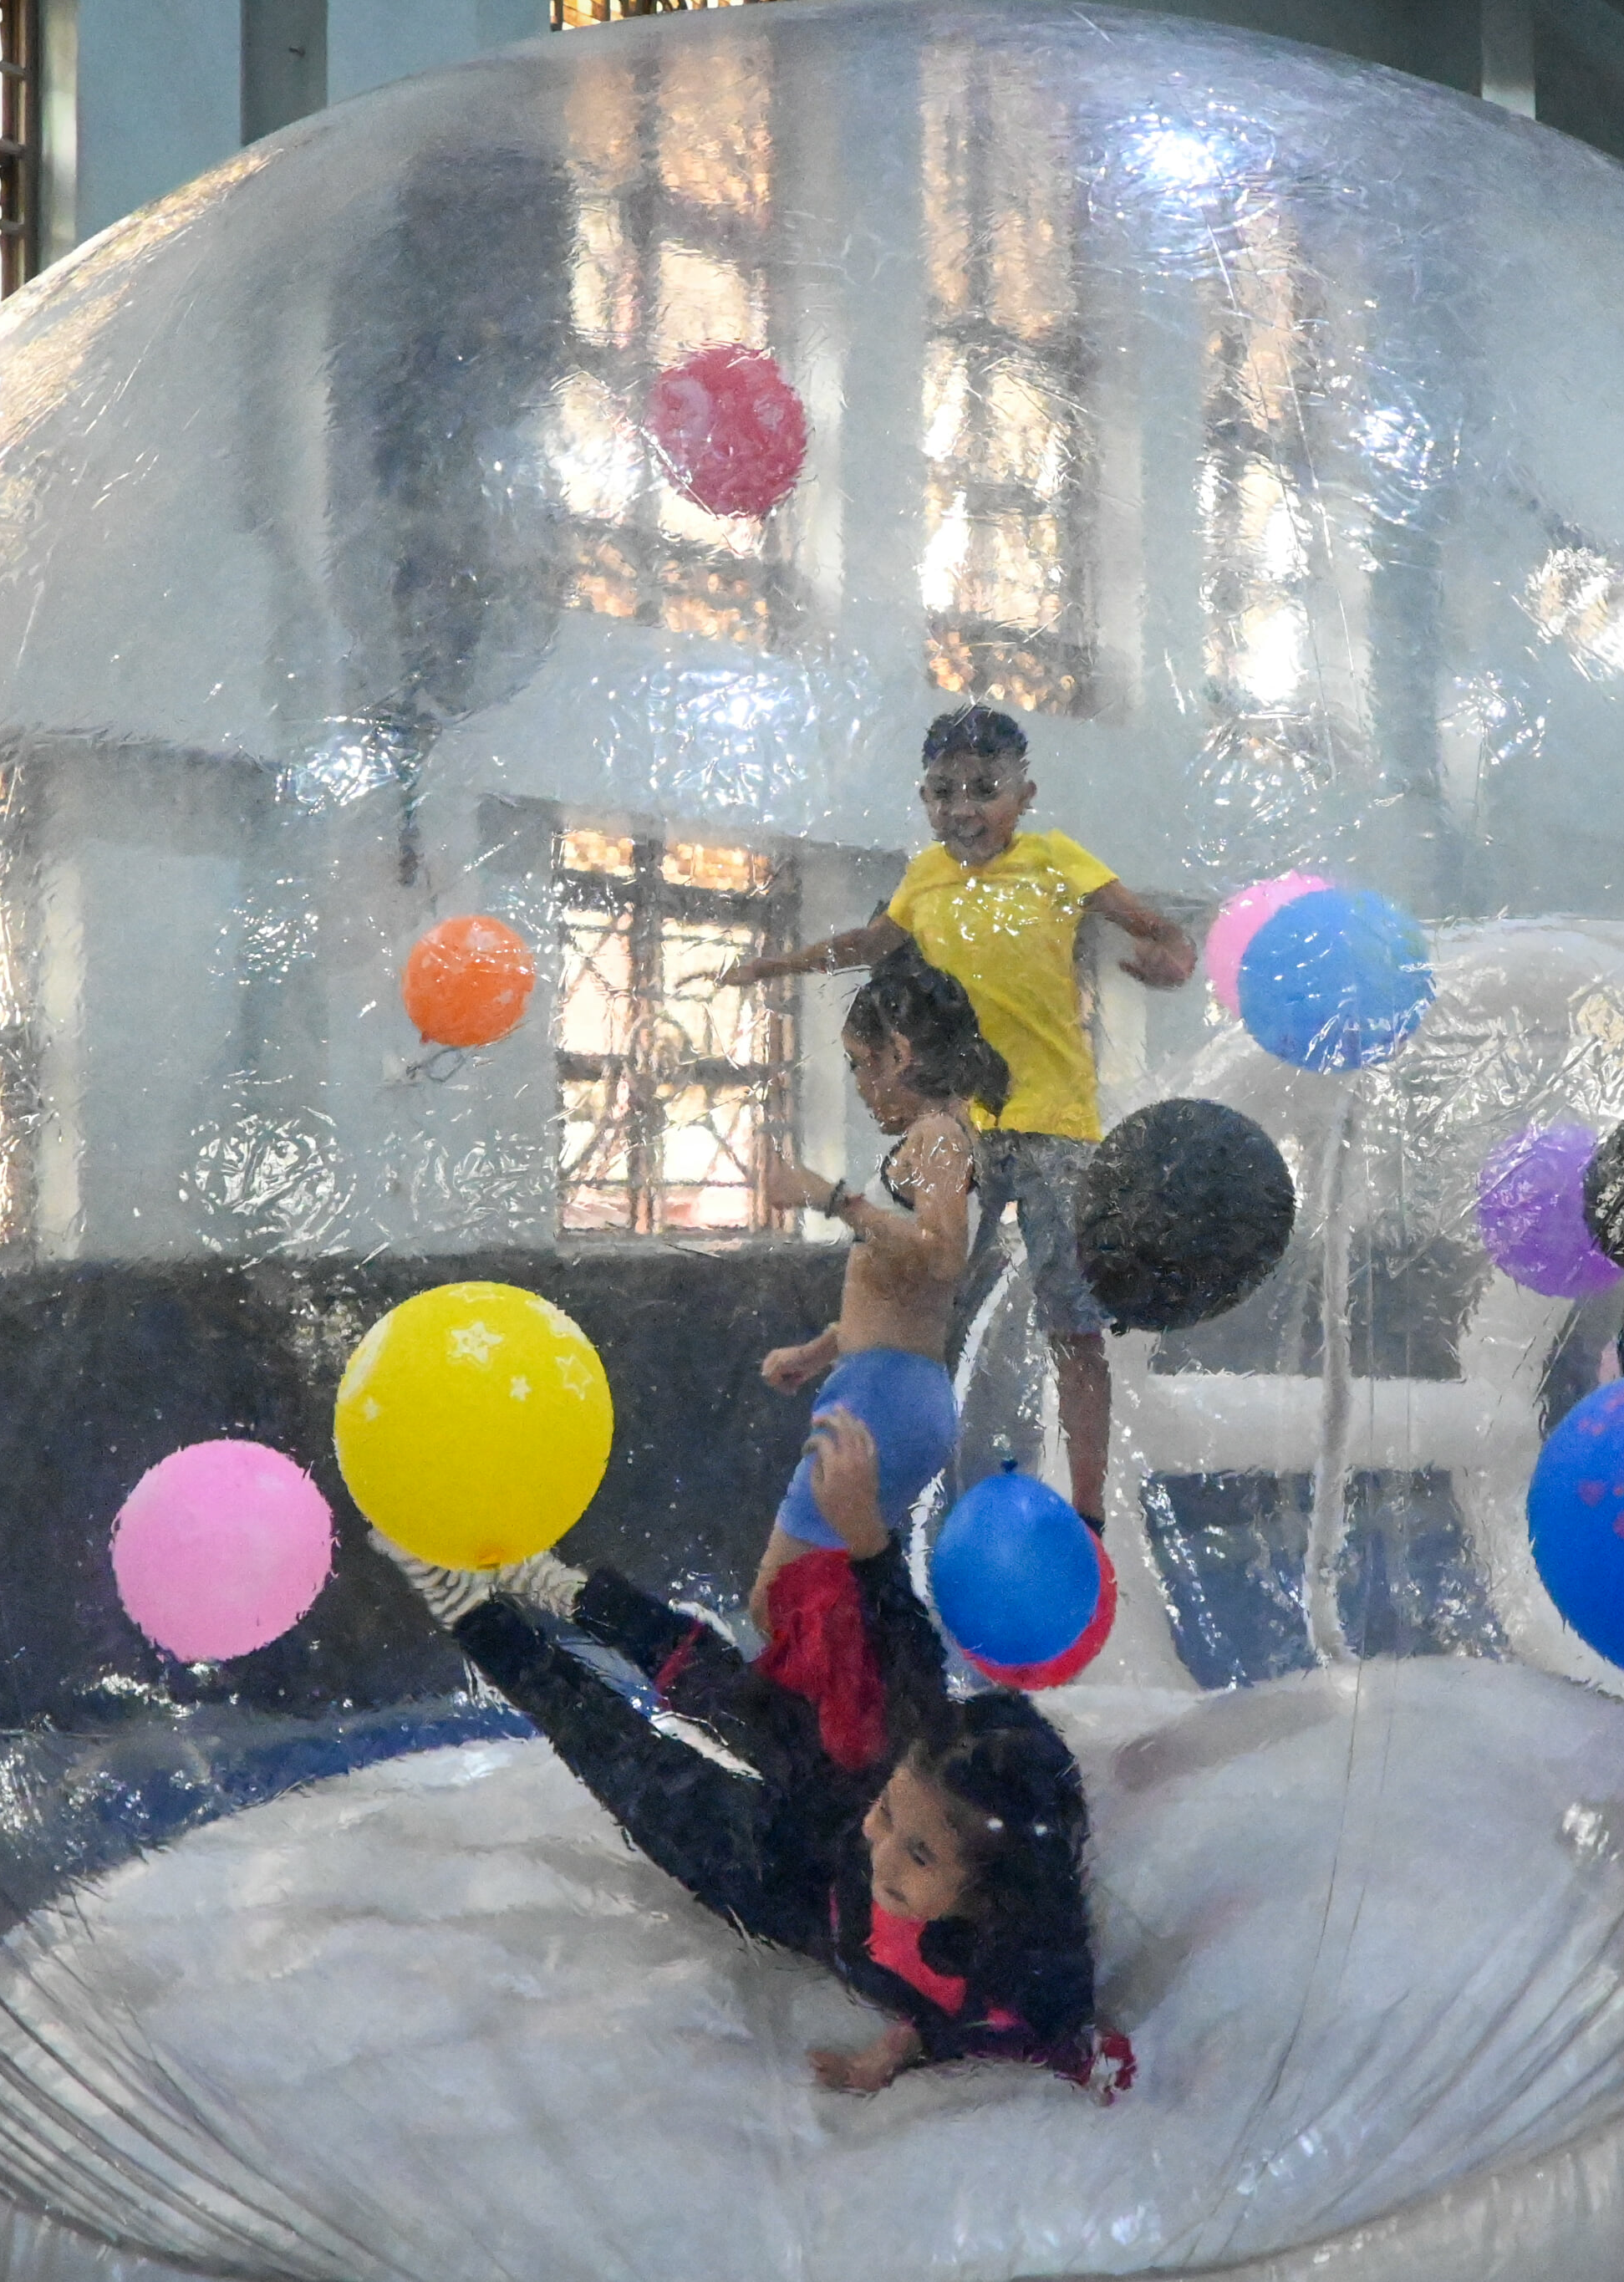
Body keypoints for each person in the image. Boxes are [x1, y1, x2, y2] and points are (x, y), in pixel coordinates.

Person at [377, 1413, 1131, 2096]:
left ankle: (469, 1613)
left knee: (623, 1760)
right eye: (894, 1817)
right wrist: (868, 1540)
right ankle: (555, 1585)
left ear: (993, 1893)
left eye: (920, 1855)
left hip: (782, 1887)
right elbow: (911, 1661)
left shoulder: (1022, 1977)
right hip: (834, 1790)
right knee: (717, 1683)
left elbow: (1001, 2027)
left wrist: (896, 2052)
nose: (884, 1851)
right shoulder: (909, 1789)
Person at [727, 705, 1197, 1531]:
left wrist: (1172, 957)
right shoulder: (925, 876)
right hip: (962, 1123)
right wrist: (781, 964)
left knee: (1073, 1326)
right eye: (944, 792)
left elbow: (1155, 926)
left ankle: (1087, 1511)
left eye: (985, 789)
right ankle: (849, 1393)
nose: (963, 809)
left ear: (1025, 796)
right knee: (913, 1278)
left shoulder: (1054, 861)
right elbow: (869, 943)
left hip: (1054, 1124)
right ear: (923, 798)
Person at [746, 947, 1002, 1630]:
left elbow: (942, 1257)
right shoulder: (942, 1136)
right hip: (888, 1388)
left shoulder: (938, 1135)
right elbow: (901, 1293)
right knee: (830, 1606)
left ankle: (877, 1697)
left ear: (900, 1053)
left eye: (861, 1063)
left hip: (882, 1400)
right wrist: (821, 1349)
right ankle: (881, 1697)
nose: (859, 1085)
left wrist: (832, 1198)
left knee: (777, 1606)